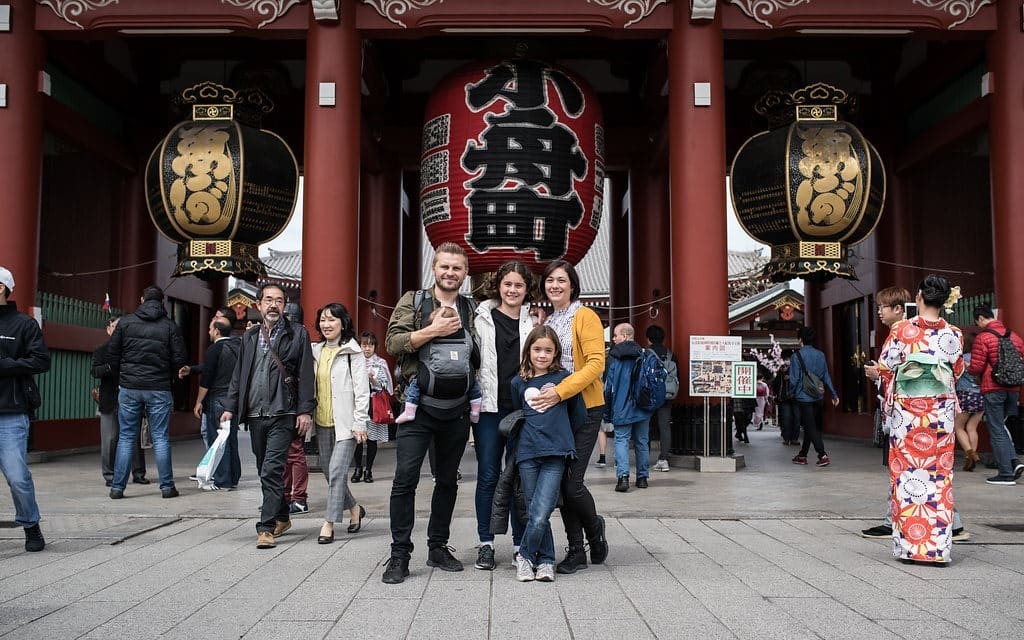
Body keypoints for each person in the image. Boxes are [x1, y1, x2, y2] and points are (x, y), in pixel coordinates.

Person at [382, 242, 479, 584]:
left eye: (457, 268)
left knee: (448, 480)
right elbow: (393, 344)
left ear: (465, 273)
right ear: (434, 269)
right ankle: (399, 554)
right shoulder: (414, 301)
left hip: (456, 408)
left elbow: (480, 356)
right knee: (405, 479)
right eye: (445, 267)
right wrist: (432, 331)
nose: (450, 273)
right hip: (417, 406)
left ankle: (438, 546)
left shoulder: (471, 308)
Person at [875, 275, 964, 565]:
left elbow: (887, 365)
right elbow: (958, 370)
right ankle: (938, 550)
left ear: (920, 298)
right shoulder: (954, 334)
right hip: (940, 416)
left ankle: (911, 548)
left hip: (908, 416)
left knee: (906, 478)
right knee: (939, 479)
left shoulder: (902, 330)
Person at [221, 284, 314, 549]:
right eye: (268, 300)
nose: (273, 305)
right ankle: (283, 516)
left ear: (285, 306)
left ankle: (266, 527)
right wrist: (230, 406)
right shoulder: (250, 336)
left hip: (283, 412)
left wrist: (305, 410)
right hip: (255, 413)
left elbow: (307, 374)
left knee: (272, 468)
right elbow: (239, 375)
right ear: (259, 305)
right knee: (266, 469)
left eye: (279, 301)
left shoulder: (298, 334)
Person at [532, 259, 608, 575]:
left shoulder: (584, 316)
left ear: (573, 284)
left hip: (585, 408)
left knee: (571, 483)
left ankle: (594, 528)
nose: (555, 285)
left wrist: (560, 391)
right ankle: (576, 551)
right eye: (550, 280)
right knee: (561, 484)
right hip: (558, 411)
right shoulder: (552, 319)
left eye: (561, 280)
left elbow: (595, 364)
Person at [471, 260, 534, 570]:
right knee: (488, 475)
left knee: (520, 477)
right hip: (489, 408)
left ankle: (521, 544)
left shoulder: (533, 322)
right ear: (498, 286)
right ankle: (486, 543)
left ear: (526, 290)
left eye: (518, 286)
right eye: (507, 284)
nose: (512, 290)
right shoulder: (481, 317)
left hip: (522, 410)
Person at [511, 326, 580, 582]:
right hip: (528, 452)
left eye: (548, 350)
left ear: (556, 353)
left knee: (541, 512)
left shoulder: (564, 379)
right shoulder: (518, 382)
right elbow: (517, 415)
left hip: (555, 453)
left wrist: (563, 436)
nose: (542, 355)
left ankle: (525, 556)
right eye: (537, 349)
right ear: (528, 350)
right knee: (533, 511)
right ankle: (547, 561)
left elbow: (578, 413)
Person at [107, 285, 187, 499]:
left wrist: (121, 378)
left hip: (130, 387)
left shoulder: (125, 323)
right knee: (160, 437)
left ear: (141, 299)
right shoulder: (170, 326)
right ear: (163, 302)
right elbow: (180, 359)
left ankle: (117, 488)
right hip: (159, 387)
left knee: (126, 436)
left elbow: (112, 354)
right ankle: (167, 487)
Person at [0, 266, 50, 552]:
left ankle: (31, 525)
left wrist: (6, 366)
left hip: (11, 412)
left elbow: (42, 361)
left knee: (18, 477)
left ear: (2, 288)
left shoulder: (24, 325)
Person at [311, 303, 369, 544]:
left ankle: (329, 523)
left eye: (332, 320)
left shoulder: (352, 352)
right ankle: (354, 508)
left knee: (336, 472)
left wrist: (360, 422)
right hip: (322, 421)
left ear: (343, 323)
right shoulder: (315, 351)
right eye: (323, 320)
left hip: (347, 425)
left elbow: (362, 390)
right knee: (328, 472)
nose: (327, 324)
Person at [179, 316, 241, 490]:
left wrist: (199, 402)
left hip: (218, 399)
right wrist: (192, 369)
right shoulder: (239, 347)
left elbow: (207, 379)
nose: (208, 332)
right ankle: (233, 477)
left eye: (210, 329)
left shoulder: (214, 349)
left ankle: (223, 480)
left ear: (217, 331)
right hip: (233, 400)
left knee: (219, 441)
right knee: (231, 440)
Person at [395, 305, 482, 425]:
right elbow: (475, 356)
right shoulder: (466, 336)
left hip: (429, 384)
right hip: (462, 385)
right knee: (475, 385)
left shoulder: (429, 337)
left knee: (415, 383)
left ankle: (410, 411)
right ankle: (476, 410)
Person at [968, 305, 1024, 486]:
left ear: (980, 319)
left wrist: (967, 369)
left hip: (993, 389)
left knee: (997, 429)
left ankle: (1006, 473)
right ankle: (1014, 462)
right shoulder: (1014, 336)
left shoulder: (984, 337)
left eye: (977, 322)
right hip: (1013, 389)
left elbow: (976, 367)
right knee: (1004, 426)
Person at [92, 315, 148, 487]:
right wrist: (110, 366)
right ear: (109, 329)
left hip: (131, 398)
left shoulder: (133, 350)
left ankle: (138, 473)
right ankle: (109, 474)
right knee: (110, 438)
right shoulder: (101, 350)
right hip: (110, 399)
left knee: (134, 438)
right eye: (115, 326)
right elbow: (95, 371)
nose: (118, 330)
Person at [603, 323, 652, 492]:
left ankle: (623, 478)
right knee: (642, 442)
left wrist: (607, 411)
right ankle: (642, 477)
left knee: (621, 441)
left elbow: (608, 388)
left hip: (622, 406)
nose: (614, 339)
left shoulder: (614, 359)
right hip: (642, 406)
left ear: (624, 336)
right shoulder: (644, 354)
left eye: (615, 335)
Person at [789, 326, 839, 467]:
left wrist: (792, 393)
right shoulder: (820, 355)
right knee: (811, 425)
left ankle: (822, 454)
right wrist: (833, 394)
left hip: (803, 396)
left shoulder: (796, 356)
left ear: (800, 340)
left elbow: (794, 380)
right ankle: (802, 455)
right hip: (818, 395)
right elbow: (825, 376)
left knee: (810, 427)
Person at [351, 331, 393, 484]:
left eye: (370, 345)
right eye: (364, 345)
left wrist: (372, 380)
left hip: (374, 404)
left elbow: (385, 385)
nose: (367, 349)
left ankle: (368, 470)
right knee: (358, 439)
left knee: (372, 440)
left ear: (375, 347)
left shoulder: (380, 363)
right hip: (358, 404)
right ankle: (358, 468)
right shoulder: (354, 362)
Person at [645, 325, 677, 471]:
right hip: (667, 394)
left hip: (650, 395)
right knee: (665, 427)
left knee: (644, 427)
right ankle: (664, 459)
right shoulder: (671, 355)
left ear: (648, 338)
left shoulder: (646, 354)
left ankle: (644, 458)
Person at [954, 333, 984, 471]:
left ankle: (970, 454)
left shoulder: (962, 359)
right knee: (972, 428)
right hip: (981, 396)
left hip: (966, 395)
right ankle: (970, 460)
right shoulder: (981, 359)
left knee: (958, 426)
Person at [772, 353, 798, 445]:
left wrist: (791, 378)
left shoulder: (796, 371)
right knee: (786, 418)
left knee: (796, 418)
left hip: (796, 398)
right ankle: (786, 438)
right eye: (783, 366)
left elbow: (801, 382)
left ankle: (794, 438)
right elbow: (775, 386)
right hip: (784, 400)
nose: (784, 367)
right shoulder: (780, 375)